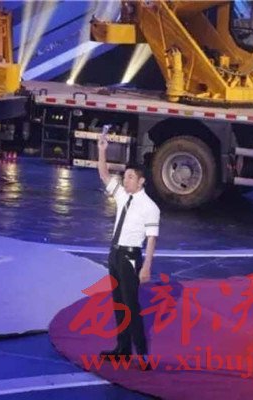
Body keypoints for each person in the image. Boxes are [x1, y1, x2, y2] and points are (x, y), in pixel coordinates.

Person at [97, 125, 160, 368]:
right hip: (114, 254)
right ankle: (122, 349)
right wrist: (102, 151)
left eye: (131, 177)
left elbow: (152, 239)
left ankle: (142, 354)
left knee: (132, 306)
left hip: (130, 257)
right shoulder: (123, 195)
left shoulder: (150, 207)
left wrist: (146, 267)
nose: (126, 180)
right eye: (125, 176)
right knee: (119, 305)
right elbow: (104, 174)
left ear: (141, 181)